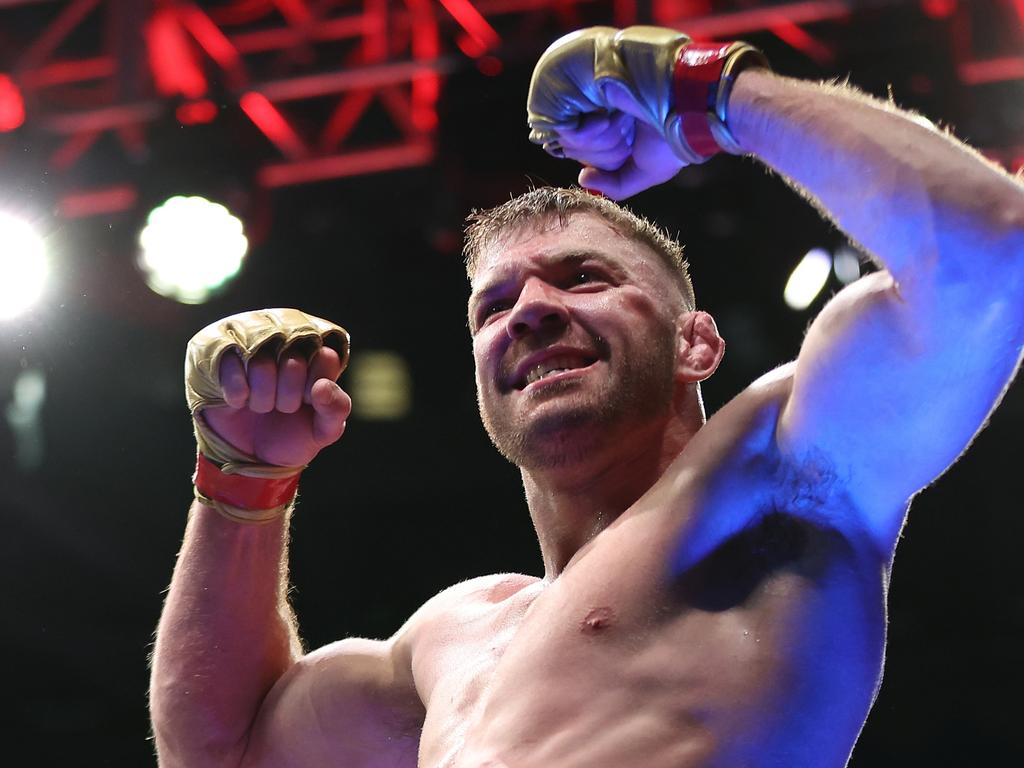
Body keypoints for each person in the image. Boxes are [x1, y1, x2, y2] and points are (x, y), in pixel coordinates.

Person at [149, 25, 1024, 768]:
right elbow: (221, 749)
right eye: (494, 304)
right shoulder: (453, 637)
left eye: (583, 277)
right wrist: (241, 478)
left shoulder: (779, 470)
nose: (529, 311)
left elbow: (991, 252)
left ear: (697, 342)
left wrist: (710, 95)